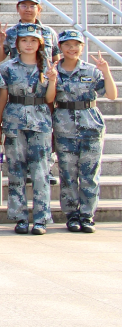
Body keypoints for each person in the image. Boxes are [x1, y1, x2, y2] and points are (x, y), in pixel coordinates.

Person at [52, 29, 116, 233]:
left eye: (76, 45)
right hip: (64, 126)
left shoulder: (91, 71)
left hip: (90, 126)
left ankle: (87, 215)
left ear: (82, 47)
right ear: (60, 47)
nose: (72, 49)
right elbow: (49, 98)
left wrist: (106, 71)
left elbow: (112, 95)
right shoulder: (54, 71)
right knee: (68, 173)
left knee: (90, 174)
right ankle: (71, 215)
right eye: (67, 45)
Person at [0, 25, 56, 235]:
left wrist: (53, 80)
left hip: (40, 121)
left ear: (40, 44)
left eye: (33, 40)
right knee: (16, 171)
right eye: (24, 40)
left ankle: (41, 218)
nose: (29, 44)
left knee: (40, 172)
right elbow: (2, 98)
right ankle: (20, 217)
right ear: (17, 44)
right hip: (14, 121)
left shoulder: (47, 67)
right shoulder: (8, 68)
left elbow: (50, 99)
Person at [0, 0, 60, 68]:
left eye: (32, 6)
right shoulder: (10, 32)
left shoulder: (49, 32)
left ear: (39, 9)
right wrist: (0, 42)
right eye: (24, 6)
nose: (28, 9)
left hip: (43, 74)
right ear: (17, 8)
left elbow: (56, 60)